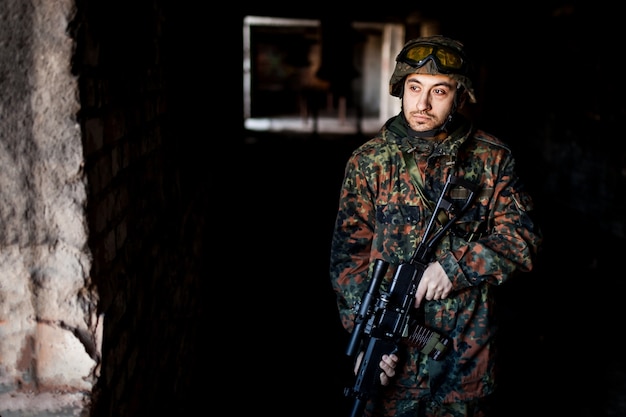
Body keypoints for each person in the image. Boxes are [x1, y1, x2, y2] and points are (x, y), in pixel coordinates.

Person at [329, 35, 543, 417]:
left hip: (465, 364)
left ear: (459, 96)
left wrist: (455, 268)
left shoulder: (492, 160)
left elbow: (523, 239)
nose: (422, 104)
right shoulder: (369, 163)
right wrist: (364, 341)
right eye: (414, 88)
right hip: (393, 368)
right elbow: (349, 261)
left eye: (438, 91)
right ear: (400, 89)